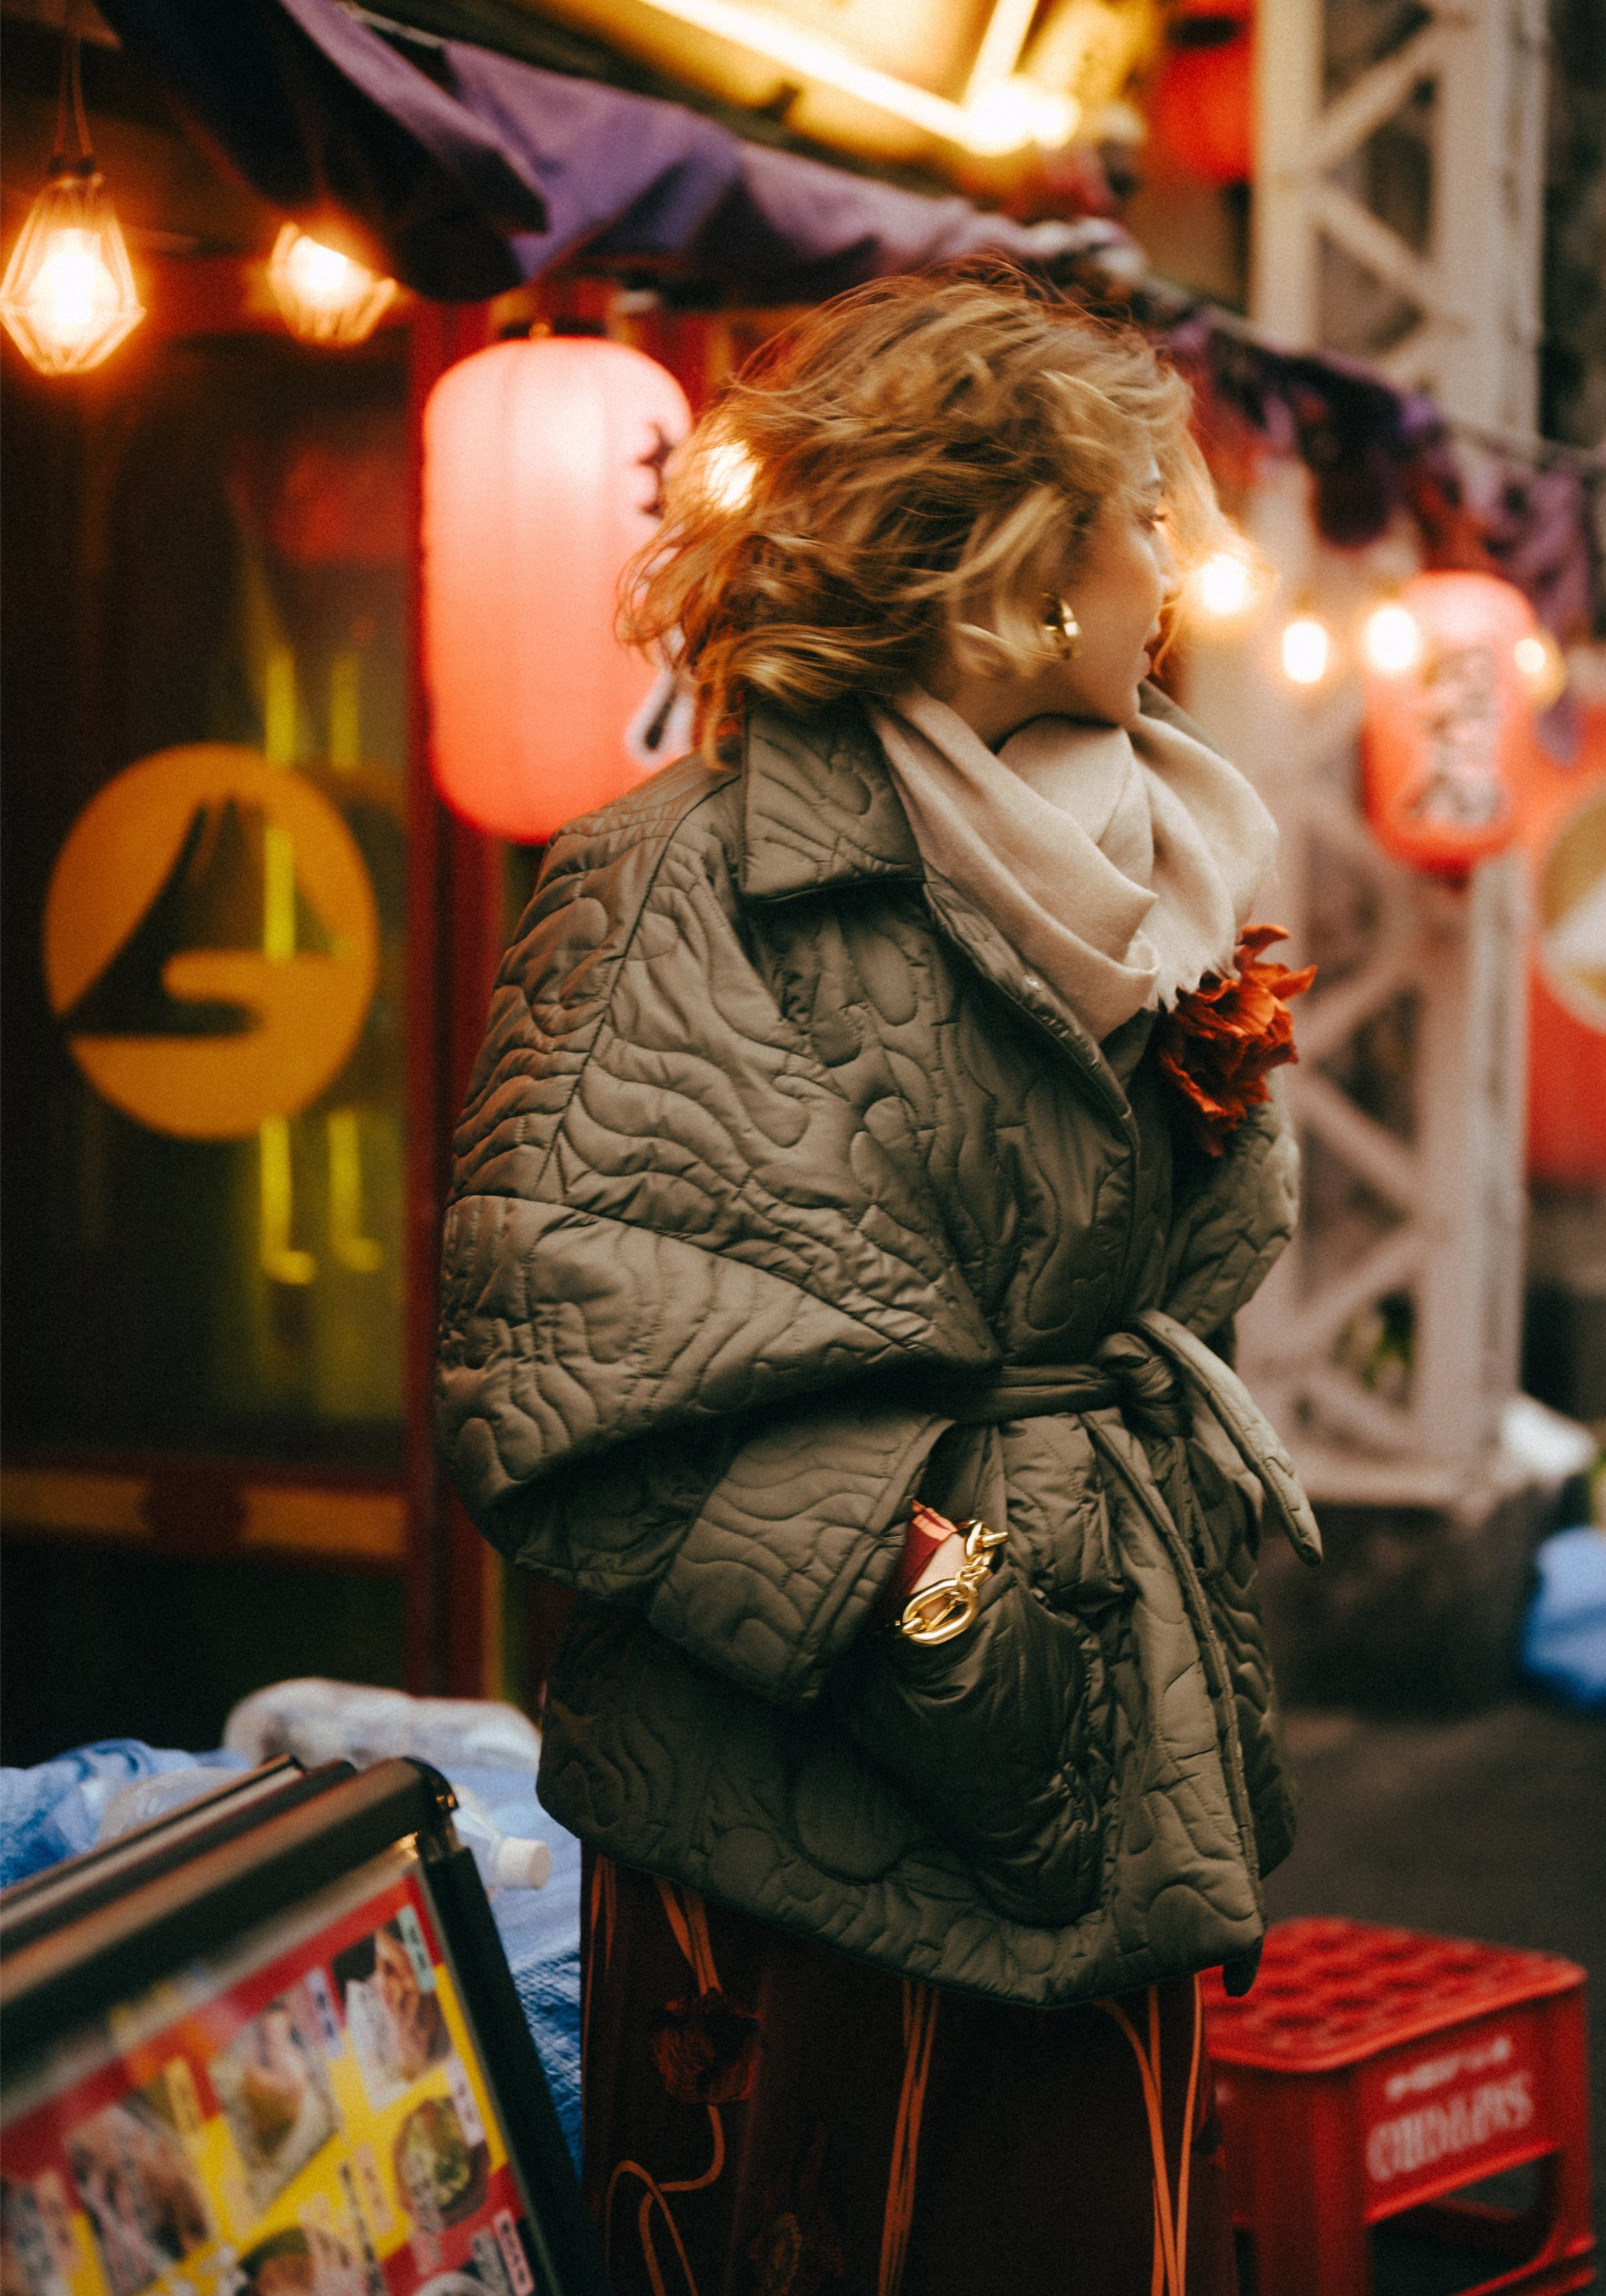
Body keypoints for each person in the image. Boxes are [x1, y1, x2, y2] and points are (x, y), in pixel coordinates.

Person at [436, 266, 1319, 2296]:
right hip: (798, 1780)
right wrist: (927, 1599)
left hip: (1114, 1730)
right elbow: (544, 1356)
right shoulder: (673, 871)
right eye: (1144, 517)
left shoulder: (1164, 854)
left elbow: (1172, 1273)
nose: (1174, 566)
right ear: (1014, 574)